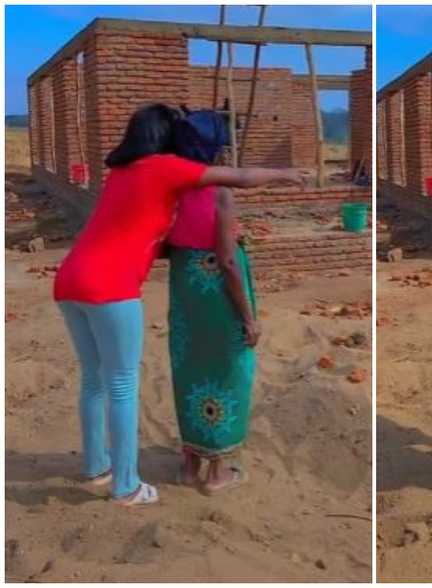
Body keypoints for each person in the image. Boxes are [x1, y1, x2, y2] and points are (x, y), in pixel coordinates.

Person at [53, 104, 301, 506]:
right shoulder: (166, 168)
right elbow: (239, 179)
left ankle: (97, 466)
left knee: (93, 380)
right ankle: (127, 486)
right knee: (121, 385)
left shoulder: (122, 172)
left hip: (69, 278)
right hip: (109, 287)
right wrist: (285, 174)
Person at [164, 108, 260, 495]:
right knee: (225, 371)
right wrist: (249, 317)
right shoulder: (219, 191)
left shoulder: (171, 187)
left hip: (185, 290)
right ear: (215, 150)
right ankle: (217, 472)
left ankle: (189, 464)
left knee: (189, 367)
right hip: (216, 295)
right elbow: (226, 261)